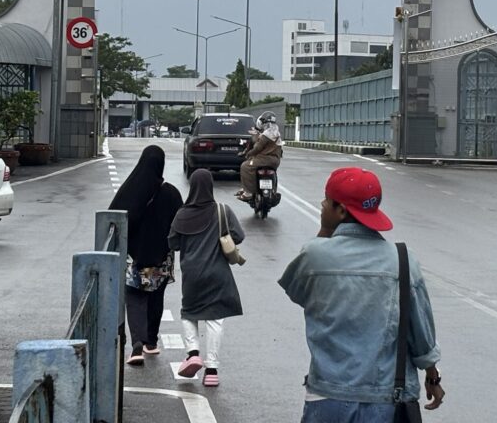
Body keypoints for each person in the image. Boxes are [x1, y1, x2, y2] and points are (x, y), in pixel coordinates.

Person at [279, 167, 445, 422]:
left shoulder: (313, 256)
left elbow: (299, 293)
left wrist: (324, 234)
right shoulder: (403, 260)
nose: (322, 206)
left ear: (341, 210)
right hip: (385, 399)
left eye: (326, 201)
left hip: (327, 397)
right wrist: (432, 376)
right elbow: (420, 332)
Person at [168, 168, 244, 387]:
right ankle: (212, 370)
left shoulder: (182, 214)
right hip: (218, 273)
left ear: (192, 186)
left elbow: (172, 243)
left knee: (189, 313)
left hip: (192, 273)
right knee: (215, 318)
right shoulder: (222, 210)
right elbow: (239, 236)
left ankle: (193, 353)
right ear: (210, 186)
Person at [108, 144, 183, 366]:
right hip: (161, 258)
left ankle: (137, 345)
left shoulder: (131, 189)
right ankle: (151, 342)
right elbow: (181, 221)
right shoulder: (170, 192)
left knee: (135, 298)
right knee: (156, 297)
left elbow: (113, 217)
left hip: (135, 258)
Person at [236, 111, 283, 202]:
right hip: (275, 161)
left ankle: (248, 192)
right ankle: (273, 190)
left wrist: (248, 154)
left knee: (245, 166)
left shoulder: (266, 134)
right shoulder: (277, 133)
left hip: (263, 160)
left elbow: (257, 148)